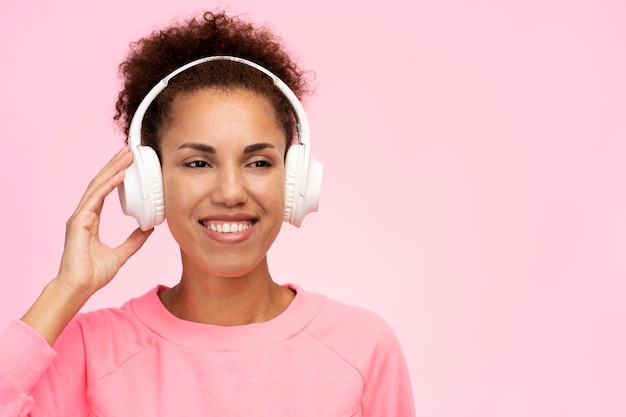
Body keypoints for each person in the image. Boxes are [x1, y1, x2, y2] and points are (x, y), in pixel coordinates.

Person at [0, 10, 415, 416]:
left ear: (295, 179)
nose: (231, 192)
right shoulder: (90, 351)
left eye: (258, 163)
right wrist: (66, 289)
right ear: (150, 182)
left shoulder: (363, 348)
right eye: (198, 163)